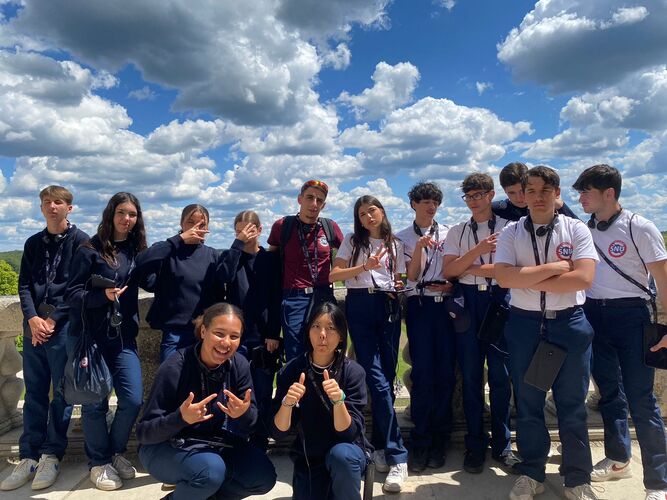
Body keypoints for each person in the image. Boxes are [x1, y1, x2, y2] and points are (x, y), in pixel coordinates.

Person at [494, 166, 598, 500]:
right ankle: (532, 472)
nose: (538, 197)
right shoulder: (511, 232)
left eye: (545, 191)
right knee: (528, 403)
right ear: (523, 195)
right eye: (531, 191)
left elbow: (583, 279)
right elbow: (504, 278)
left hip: (569, 323)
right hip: (525, 324)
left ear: (556, 194)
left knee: (572, 404)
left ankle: (577, 478)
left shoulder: (575, 229)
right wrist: (554, 269)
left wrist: (525, 277)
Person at [573, 164, 667, 500]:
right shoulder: (584, 229)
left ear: (609, 193)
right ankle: (618, 458)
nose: (581, 198)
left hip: (631, 316)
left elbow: (663, 278)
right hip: (594, 315)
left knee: (641, 399)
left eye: (586, 191)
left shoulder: (639, 226)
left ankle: (658, 482)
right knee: (610, 394)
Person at [137, 302, 276, 500]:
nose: (226, 343)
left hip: (211, 443)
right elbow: (144, 433)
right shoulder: (175, 367)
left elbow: (252, 422)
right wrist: (181, 418)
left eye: (234, 336)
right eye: (219, 334)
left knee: (262, 475)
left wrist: (243, 414)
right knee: (211, 471)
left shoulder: (239, 365)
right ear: (203, 331)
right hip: (164, 446)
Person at [1, 186, 88, 492]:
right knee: (34, 392)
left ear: (69, 208)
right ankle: (29, 455)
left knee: (62, 393)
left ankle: (51, 454)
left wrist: (52, 320)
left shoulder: (81, 241)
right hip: (34, 328)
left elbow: (79, 287)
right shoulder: (33, 242)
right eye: (47, 202)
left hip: (62, 328)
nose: (52, 206)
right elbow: (24, 284)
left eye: (58, 202)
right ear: (41, 208)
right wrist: (32, 318)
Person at [65, 192, 148, 491]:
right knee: (94, 403)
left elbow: (151, 279)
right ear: (111, 214)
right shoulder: (90, 249)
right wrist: (102, 296)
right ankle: (98, 463)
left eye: (132, 214)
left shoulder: (137, 251)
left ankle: (114, 453)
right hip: (92, 339)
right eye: (122, 213)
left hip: (124, 338)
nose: (127, 219)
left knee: (133, 399)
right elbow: (72, 294)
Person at [329, 195, 408, 493]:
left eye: (371, 211)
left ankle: (380, 446)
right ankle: (398, 455)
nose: (368, 217)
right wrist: (365, 266)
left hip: (388, 305)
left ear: (382, 212)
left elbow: (399, 277)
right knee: (376, 379)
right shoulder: (353, 242)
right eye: (362, 214)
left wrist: (398, 284)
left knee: (386, 378)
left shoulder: (395, 243)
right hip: (360, 304)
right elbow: (335, 274)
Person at [442, 173, 517, 473]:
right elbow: (449, 272)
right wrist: (478, 251)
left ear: (491, 195)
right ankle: (475, 444)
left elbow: (512, 270)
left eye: (478, 195)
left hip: (499, 299)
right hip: (468, 303)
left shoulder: (510, 228)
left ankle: (502, 444)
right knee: (471, 376)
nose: (473, 201)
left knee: (500, 377)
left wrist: (468, 266)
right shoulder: (458, 231)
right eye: (468, 196)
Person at [272, 302, 370, 499]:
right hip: (310, 456)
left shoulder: (353, 372)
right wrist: (287, 403)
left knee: (341, 456)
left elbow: (349, 433)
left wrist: (338, 402)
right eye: (316, 326)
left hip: (347, 451)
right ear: (308, 331)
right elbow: (278, 433)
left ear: (341, 336)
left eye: (331, 328)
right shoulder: (292, 370)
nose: (322, 335)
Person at [395, 181, 455, 473]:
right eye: (425, 201)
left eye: (435, 202)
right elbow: (410, 276)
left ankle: (440, 440)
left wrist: (451, 285)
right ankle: (421, 440)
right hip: (419, 305)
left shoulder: (450, 233)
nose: (431, 206)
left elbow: (456, 269)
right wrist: (419, 248)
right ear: (413, 205)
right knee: (421, 374)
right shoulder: (402, 237)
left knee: (445, 374)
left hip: (445, 306)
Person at [217, 210, 281, 449]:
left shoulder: (271, 260)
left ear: (259, 230)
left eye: (249, 230)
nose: (244, 235)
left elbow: (277, 298)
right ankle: (236, 441)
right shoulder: (231, 257)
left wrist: (273, 333)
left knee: (262, 392)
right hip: (236, 337)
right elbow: (223, 276)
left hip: (264, 337)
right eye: (239, 231)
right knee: (235, 391)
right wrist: (237, 245)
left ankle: (259, 442)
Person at [267, 180, 344, 361]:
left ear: (323, 205)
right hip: (294, 297)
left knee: (326, 349)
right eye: (309, 197)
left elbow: (348, 254)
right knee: (296, 353)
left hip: (323, 294)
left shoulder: (330, 227)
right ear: (300, 199)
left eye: (319, 200)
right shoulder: (283, 226)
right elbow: (271, 260)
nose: (314, 203)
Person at [136, 204, 221, 363]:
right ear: (182, 224)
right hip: (173, 332)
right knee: (171, 375)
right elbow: (141, 262)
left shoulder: (211, 255)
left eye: (202, 224)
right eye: (191, 222)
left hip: (203, 332)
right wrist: (179, 239)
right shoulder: (169, 250)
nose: (196, 228)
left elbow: (219, 292)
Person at [493, 161, 578, 221]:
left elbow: (581, 229)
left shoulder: (551, 206)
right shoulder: (496, 210)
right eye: (512, 193)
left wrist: (561, 207)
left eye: (522, 191)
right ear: (504, 191)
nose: (519, 198)